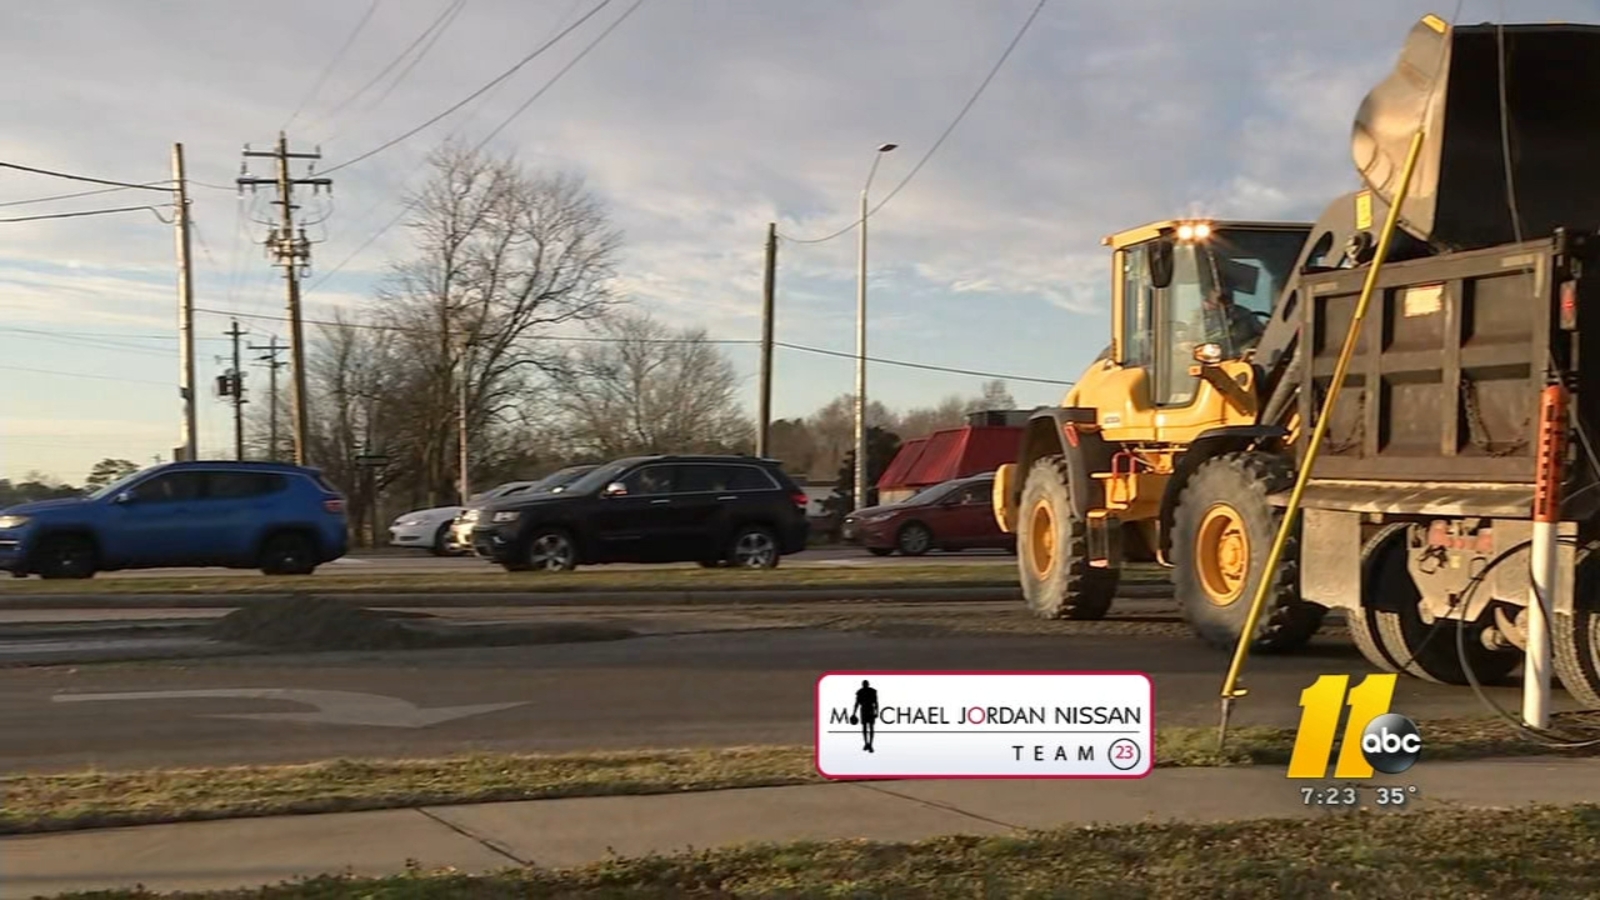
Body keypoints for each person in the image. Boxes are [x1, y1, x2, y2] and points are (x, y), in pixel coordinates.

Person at [852, 679, 879, 753]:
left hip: (870, 710)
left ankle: (870, 744)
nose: (865, 685)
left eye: (866, 684)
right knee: (864, 728)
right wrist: (854, 713)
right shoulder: (860, 692)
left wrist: (876, 712)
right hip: (864, 710)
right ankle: (866, 743)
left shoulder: (872, 691)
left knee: (871, 728)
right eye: (864, 684)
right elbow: (856, 703)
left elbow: (876, 703)